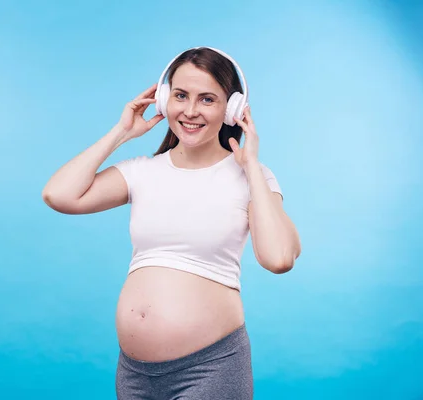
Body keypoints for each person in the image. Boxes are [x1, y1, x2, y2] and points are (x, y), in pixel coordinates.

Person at [42, 47, 301, 400]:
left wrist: (252, 166)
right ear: (164, 100)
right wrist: (121, 132)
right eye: (180, 96)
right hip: (135, 375)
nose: (190, 111)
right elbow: (58, 195)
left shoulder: (252, 178)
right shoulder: (142, 171)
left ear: (233, 108)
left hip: (210, 368)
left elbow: (279, 258)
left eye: (207, 99)